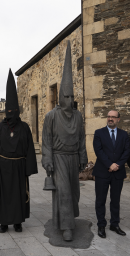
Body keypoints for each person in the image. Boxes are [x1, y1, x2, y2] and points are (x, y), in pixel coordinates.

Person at [41, 41, 88, 241]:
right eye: (66, 96)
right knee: (64, 192)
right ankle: (67, 227)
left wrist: (82, 157)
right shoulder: (52, 115)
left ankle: (68, 219)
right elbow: (46, 140)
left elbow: (82, 138)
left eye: (71, 96)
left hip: (73, 158)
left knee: (73, 192)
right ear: (60, 97)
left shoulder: (78, 116)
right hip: (59, 158)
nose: (69, 100)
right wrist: (48, 159)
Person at [0, 69, 38, 233]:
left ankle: (18, 221)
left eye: (13, 111)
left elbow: (30, 148)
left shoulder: (24, 127)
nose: (11, 114)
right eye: (8, 111)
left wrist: (28, 168)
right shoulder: (0, 128)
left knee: (18, 194)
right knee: (4, 196)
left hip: (19, 166)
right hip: (3, 166)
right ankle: (4, 222)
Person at [92, 110, 130, 238]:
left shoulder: (124, 135)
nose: (110, 119)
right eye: (108, 116)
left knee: (115, 200)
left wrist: (117, 165)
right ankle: (101, 225)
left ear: (118, 119)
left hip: (118, 173)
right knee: (100, 200)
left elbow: (127, 152)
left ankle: (115, 224)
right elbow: (99, 151)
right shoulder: (99, 133)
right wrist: (110, 164)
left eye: (113, 117)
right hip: (102, 172)